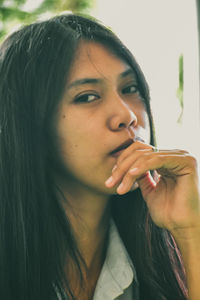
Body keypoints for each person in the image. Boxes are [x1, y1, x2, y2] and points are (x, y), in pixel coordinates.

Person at [0, 13, 199, 300]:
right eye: (87, 97)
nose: (127, 116)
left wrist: (190, 233)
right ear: (29, 125)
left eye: (130, 89)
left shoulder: (157, 261)